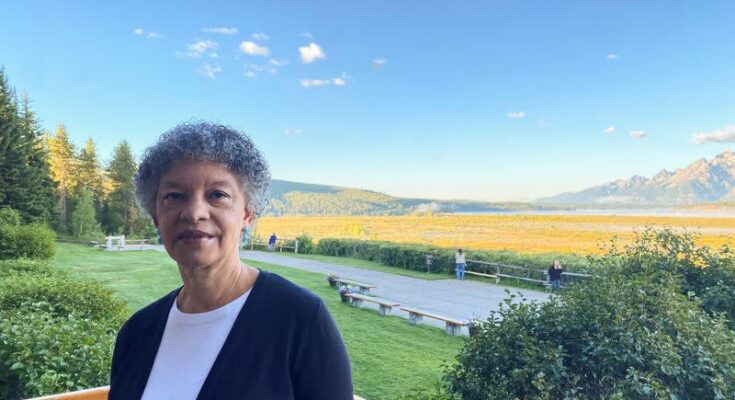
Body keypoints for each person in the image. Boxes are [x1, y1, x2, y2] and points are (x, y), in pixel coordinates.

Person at [109, 122, 352, 399]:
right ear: (156, 216)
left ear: (247, 214)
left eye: (217, 195)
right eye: (174, 196)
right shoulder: (137, 333)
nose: (194, 212)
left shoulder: (301, 321)